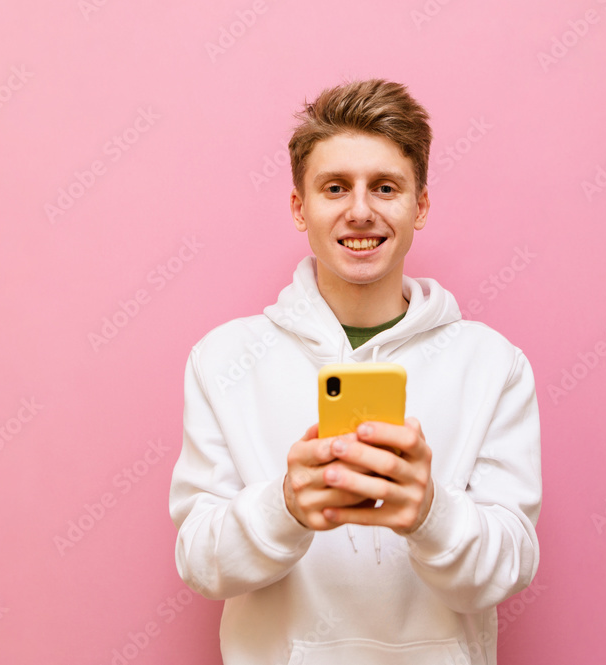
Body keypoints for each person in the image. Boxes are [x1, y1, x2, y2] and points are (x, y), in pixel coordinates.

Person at [169, 78, 542, 665]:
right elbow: (199, 563)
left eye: (386, 187)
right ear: (300, 206)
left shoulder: (494, 365)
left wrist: (429, 512)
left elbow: (511, 568)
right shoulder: (221, 359)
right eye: (335, 187)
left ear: (419, 206)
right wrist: (285, 505)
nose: (360, 211)